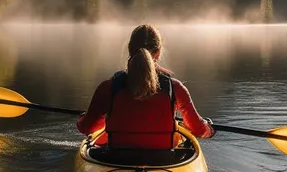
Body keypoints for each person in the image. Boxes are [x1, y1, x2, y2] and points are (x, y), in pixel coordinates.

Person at [76, 24, 215, 149]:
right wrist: (209, 128)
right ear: (158, 52)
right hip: (164, 160)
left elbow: (87, 128)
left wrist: (84, 118)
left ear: (130, 49)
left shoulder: (108, 87)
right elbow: (198, 130)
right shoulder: (175, 88)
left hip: (117, 159)